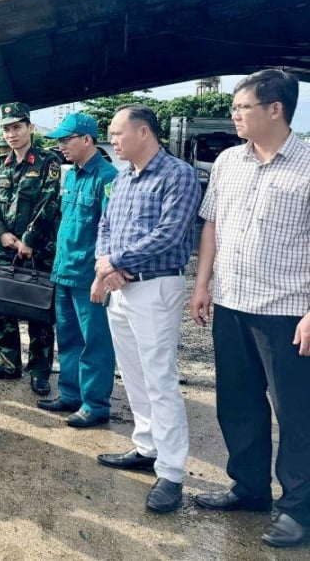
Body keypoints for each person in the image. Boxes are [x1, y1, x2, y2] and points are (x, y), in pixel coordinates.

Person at [188, 69, 310, 548]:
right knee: (237, 402)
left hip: (288, 309)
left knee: (297, 413)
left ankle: (298, 508)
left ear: (274, 110)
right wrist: (202, 284)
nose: (234, 115)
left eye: (242, 107)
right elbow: (212, 225)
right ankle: (250, 487)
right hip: (232, 302)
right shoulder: (227, 162)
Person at [92, 103, 200, 513]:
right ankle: (146, 445)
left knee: (159, 377)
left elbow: (170, 235)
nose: (113, 140)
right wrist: (107, 266)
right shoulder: (123, 178)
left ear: (144, 133)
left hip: (156, 288)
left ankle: (171, 472)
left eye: (118, 133)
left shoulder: (178, 175)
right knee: (134, 373)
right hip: (121, 287)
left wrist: (115, 262)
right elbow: (105, 227)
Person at [37, 112, 118, 428]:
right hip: (64, 270)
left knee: (94, 340)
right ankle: (70, 393)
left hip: (88, 276)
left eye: (66, 139)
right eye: (59, 140)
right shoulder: (70, 176)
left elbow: (111, 232)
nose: (61, 146)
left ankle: (95, 404)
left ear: (87, 139)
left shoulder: (108, 178)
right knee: (68, 337)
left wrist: (101, 276)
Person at [0, 101, 61, 396]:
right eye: (6, 129)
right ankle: (7, 362)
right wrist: (2, 234)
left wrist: (29, 239)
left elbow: (49, 201)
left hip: (39, 247)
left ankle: (39, 370)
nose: (11, 134)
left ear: (29, 127)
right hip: (4, 247)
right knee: (2, 304)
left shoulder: (47, 160)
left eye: (17, 127)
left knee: (39, 307)